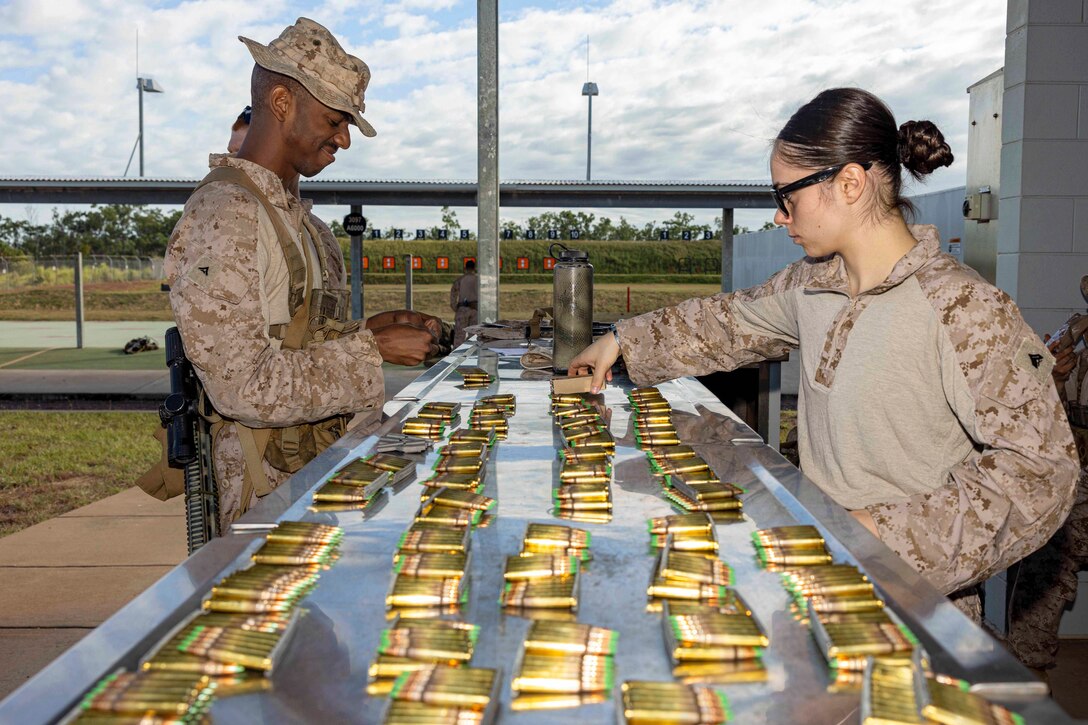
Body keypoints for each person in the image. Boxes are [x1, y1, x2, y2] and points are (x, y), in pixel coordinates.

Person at [570, 87, 1078, 616]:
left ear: (850, 183)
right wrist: (621, 339)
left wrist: (873, 533)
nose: (779, 216)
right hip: (815, 576)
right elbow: (727, 321)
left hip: (912, 599)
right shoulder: (813, 286)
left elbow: (1042, 474)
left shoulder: (963, 308)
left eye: (786, 196)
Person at [165, 17, 441, 528]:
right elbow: (243, 386)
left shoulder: (309, 227)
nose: (345, 139)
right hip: (267, 497)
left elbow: (301, 345)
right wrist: (371, 350)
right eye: (336, 119)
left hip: (320, 473)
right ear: (282, 103)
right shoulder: (224, 216)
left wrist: (371, 329)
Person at [1006, 326, 1088, 674]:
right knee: (1043, 564)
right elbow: (1015, 371)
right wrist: (1051, 374)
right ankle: (1030, 665)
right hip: (1075, 488)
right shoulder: (1067, 354)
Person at [449, 259, 479, 347]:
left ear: (465, 268)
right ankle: (473, 355)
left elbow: (453, 294)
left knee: (459, 336)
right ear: (475, 268)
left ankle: (456, 356)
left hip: (462, 308)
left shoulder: (460, 280)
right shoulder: (478, 280)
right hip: (475, 309)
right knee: (473, 336)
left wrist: (455, 307)